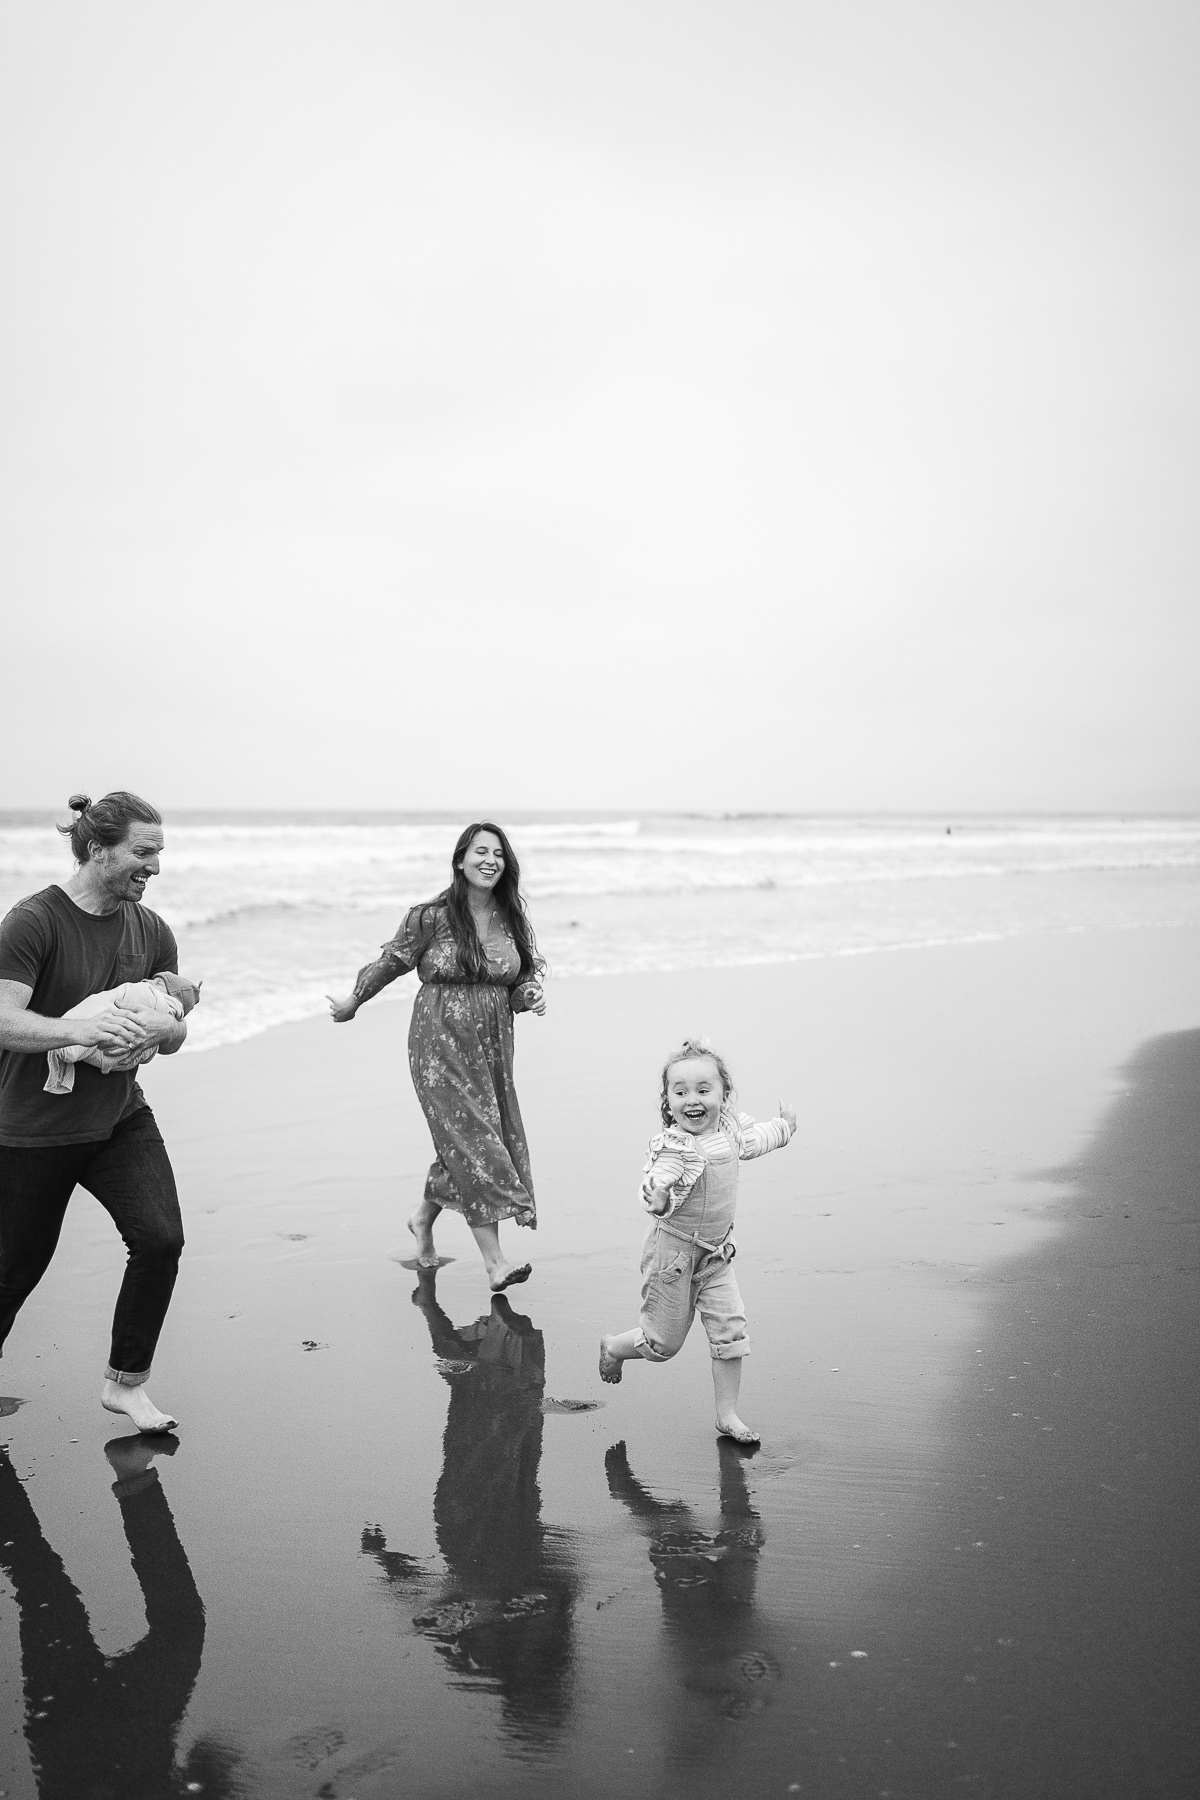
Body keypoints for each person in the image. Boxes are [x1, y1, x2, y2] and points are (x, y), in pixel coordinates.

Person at [0, 792, 188, 1433]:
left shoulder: (152, 929)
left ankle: (126, 1385)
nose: (155, 866)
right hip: (31, 1128)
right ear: (97, 848)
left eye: (158, 852)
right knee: (13, 1272)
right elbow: (4, 1020)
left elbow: (176, 1029)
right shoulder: (33, 923)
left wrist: (156, 1033)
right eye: (143, 852)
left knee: (161, 1238)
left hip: (118, 1117)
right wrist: (83, 1030)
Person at [329, 821, 545, 1291]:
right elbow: (392, 961)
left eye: (499, 854)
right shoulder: (431, 916)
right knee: (473, 1140)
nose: (490, 861)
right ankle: (495, 1263)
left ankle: (421, 1220)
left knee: (467, 1138)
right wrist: (353, 1000)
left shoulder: (511, 918)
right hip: (438, 1042)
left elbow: (519, 980)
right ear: (460, 860)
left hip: (492, 1045)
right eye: (480, 852)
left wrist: (529, 994)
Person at [598, 1037, 796, 1445]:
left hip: (717, 1255)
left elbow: (758, 1140)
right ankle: (615, 1347)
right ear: (668, 1100)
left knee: (731, 1332)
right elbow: (658, 1178)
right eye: (681, 1091)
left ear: (724, 1095)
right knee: (662, 1343)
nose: (693, 1099)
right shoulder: (675, 1147)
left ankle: (727, 1415)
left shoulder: (730, 1133)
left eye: (704, 1090)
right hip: (672, 1257)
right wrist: (656, 1197)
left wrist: (785, 1127)